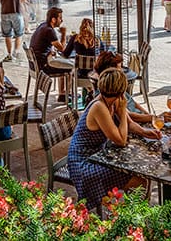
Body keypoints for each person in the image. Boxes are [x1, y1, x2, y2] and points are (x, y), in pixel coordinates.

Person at [67, 68, 160, 211]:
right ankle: (130, 217)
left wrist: (146, 133)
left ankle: (134, 214)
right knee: (138, 179)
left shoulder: (113, 101)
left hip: (99, 154)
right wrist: (122, 111)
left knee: (142, 176)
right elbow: (121, 140)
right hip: (83, 162)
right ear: (122, 90)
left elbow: (129, 123)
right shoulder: (99, 107)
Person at [93, 51, 158, 124]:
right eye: (119, 68)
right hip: (137, 122)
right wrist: (153, 118)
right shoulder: (108, 95)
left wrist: (150, 116)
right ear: (110, 72)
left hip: (142, 120)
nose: (122, 71)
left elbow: (134, 103)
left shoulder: (116, 87)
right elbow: (129, 117)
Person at [29, 7, 71, 102]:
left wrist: (49, 52)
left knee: (62, 64)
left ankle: (62, 93)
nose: (62, 20)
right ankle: (64, 94)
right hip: (42, 67)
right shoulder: (49, 30)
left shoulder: (42, 26)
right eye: (60, 18)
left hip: (35, 64)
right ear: (53, 19)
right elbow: (63, 49)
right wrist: (64, 34)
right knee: (70, 69)